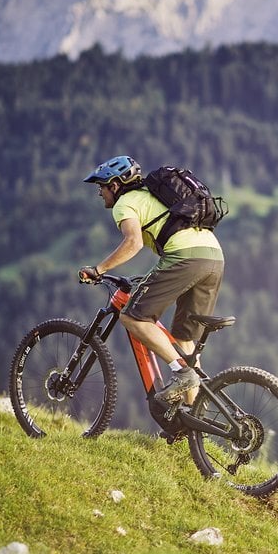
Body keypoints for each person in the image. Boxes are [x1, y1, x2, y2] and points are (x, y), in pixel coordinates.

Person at [78, 155, 225, 403]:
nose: (100, 194)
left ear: (114, 185)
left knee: (132, 316)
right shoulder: (153, 195)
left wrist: (99, 269)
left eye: (101, 187)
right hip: (214, 257)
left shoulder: (125, 204)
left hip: (185, 257)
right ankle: (190, 421)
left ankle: (181, 373)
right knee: (184, 340)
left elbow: (133, 242)